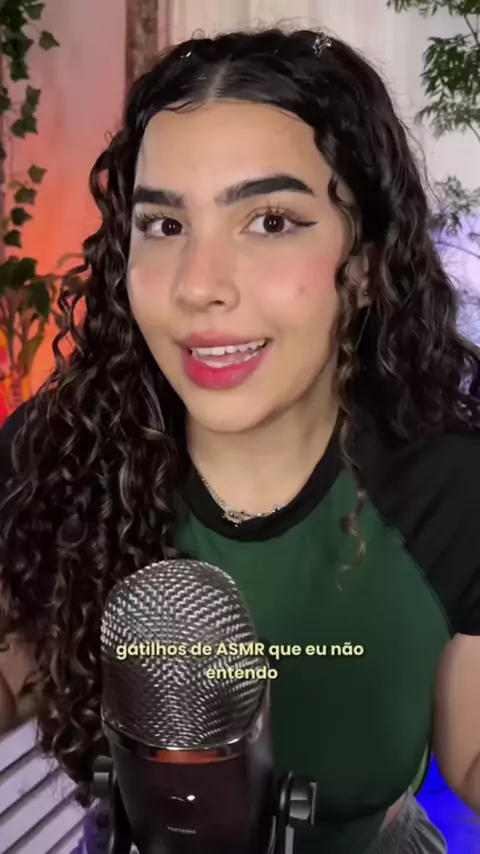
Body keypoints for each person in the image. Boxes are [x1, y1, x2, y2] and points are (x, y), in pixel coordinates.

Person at [0, 25, 479, 854]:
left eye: (270, 220)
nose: (198, 286)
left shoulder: (451, 486)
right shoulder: (58, 452)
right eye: (163, 225)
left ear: (365, 263)